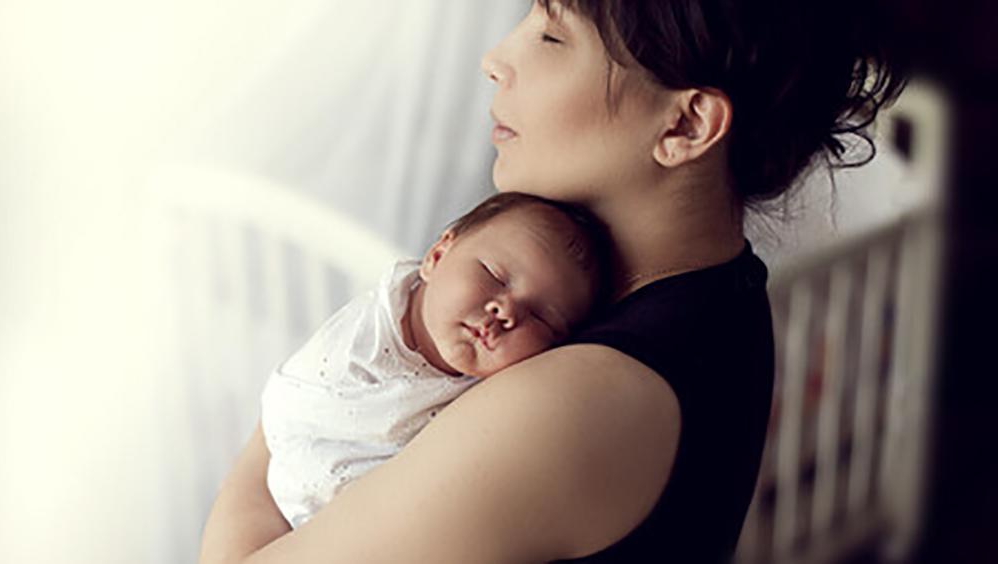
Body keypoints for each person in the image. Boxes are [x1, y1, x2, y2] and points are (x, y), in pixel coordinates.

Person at [200, 1, 907, 562]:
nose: (495, 59)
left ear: (687, 124)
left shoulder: (576, 401)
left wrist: (294, 406)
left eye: (550, 35)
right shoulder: (722, 288)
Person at [260, 191, 610, 530]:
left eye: (541, 317)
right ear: (438, 256)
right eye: (494, 276)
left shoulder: (507, 395)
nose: (505, 311)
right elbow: (294, 418)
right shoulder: (359, 347)